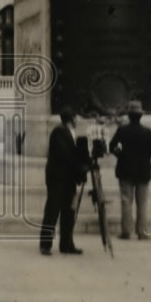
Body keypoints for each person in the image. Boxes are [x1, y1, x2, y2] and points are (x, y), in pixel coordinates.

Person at [39, 105, 91, 255]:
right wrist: (79, 165)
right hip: (58, 178)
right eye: (75, 118)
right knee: (53, 211)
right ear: (72, 118)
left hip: (67, 178)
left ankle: (66, 244)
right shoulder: (59, 132)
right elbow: (65, 155)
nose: (77, 120)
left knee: (68, 211)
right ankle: (46, 244)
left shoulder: (68, 132)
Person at [109, 100, 151, 240]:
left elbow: (111, 146)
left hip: (125, 169)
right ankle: (142, 232)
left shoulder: (122, 130)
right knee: (142, 202)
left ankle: (126, 231)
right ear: (141, 116)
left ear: (129, 116)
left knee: (126, 201)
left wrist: (120, 155)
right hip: (143, 171)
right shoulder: (148, 132)